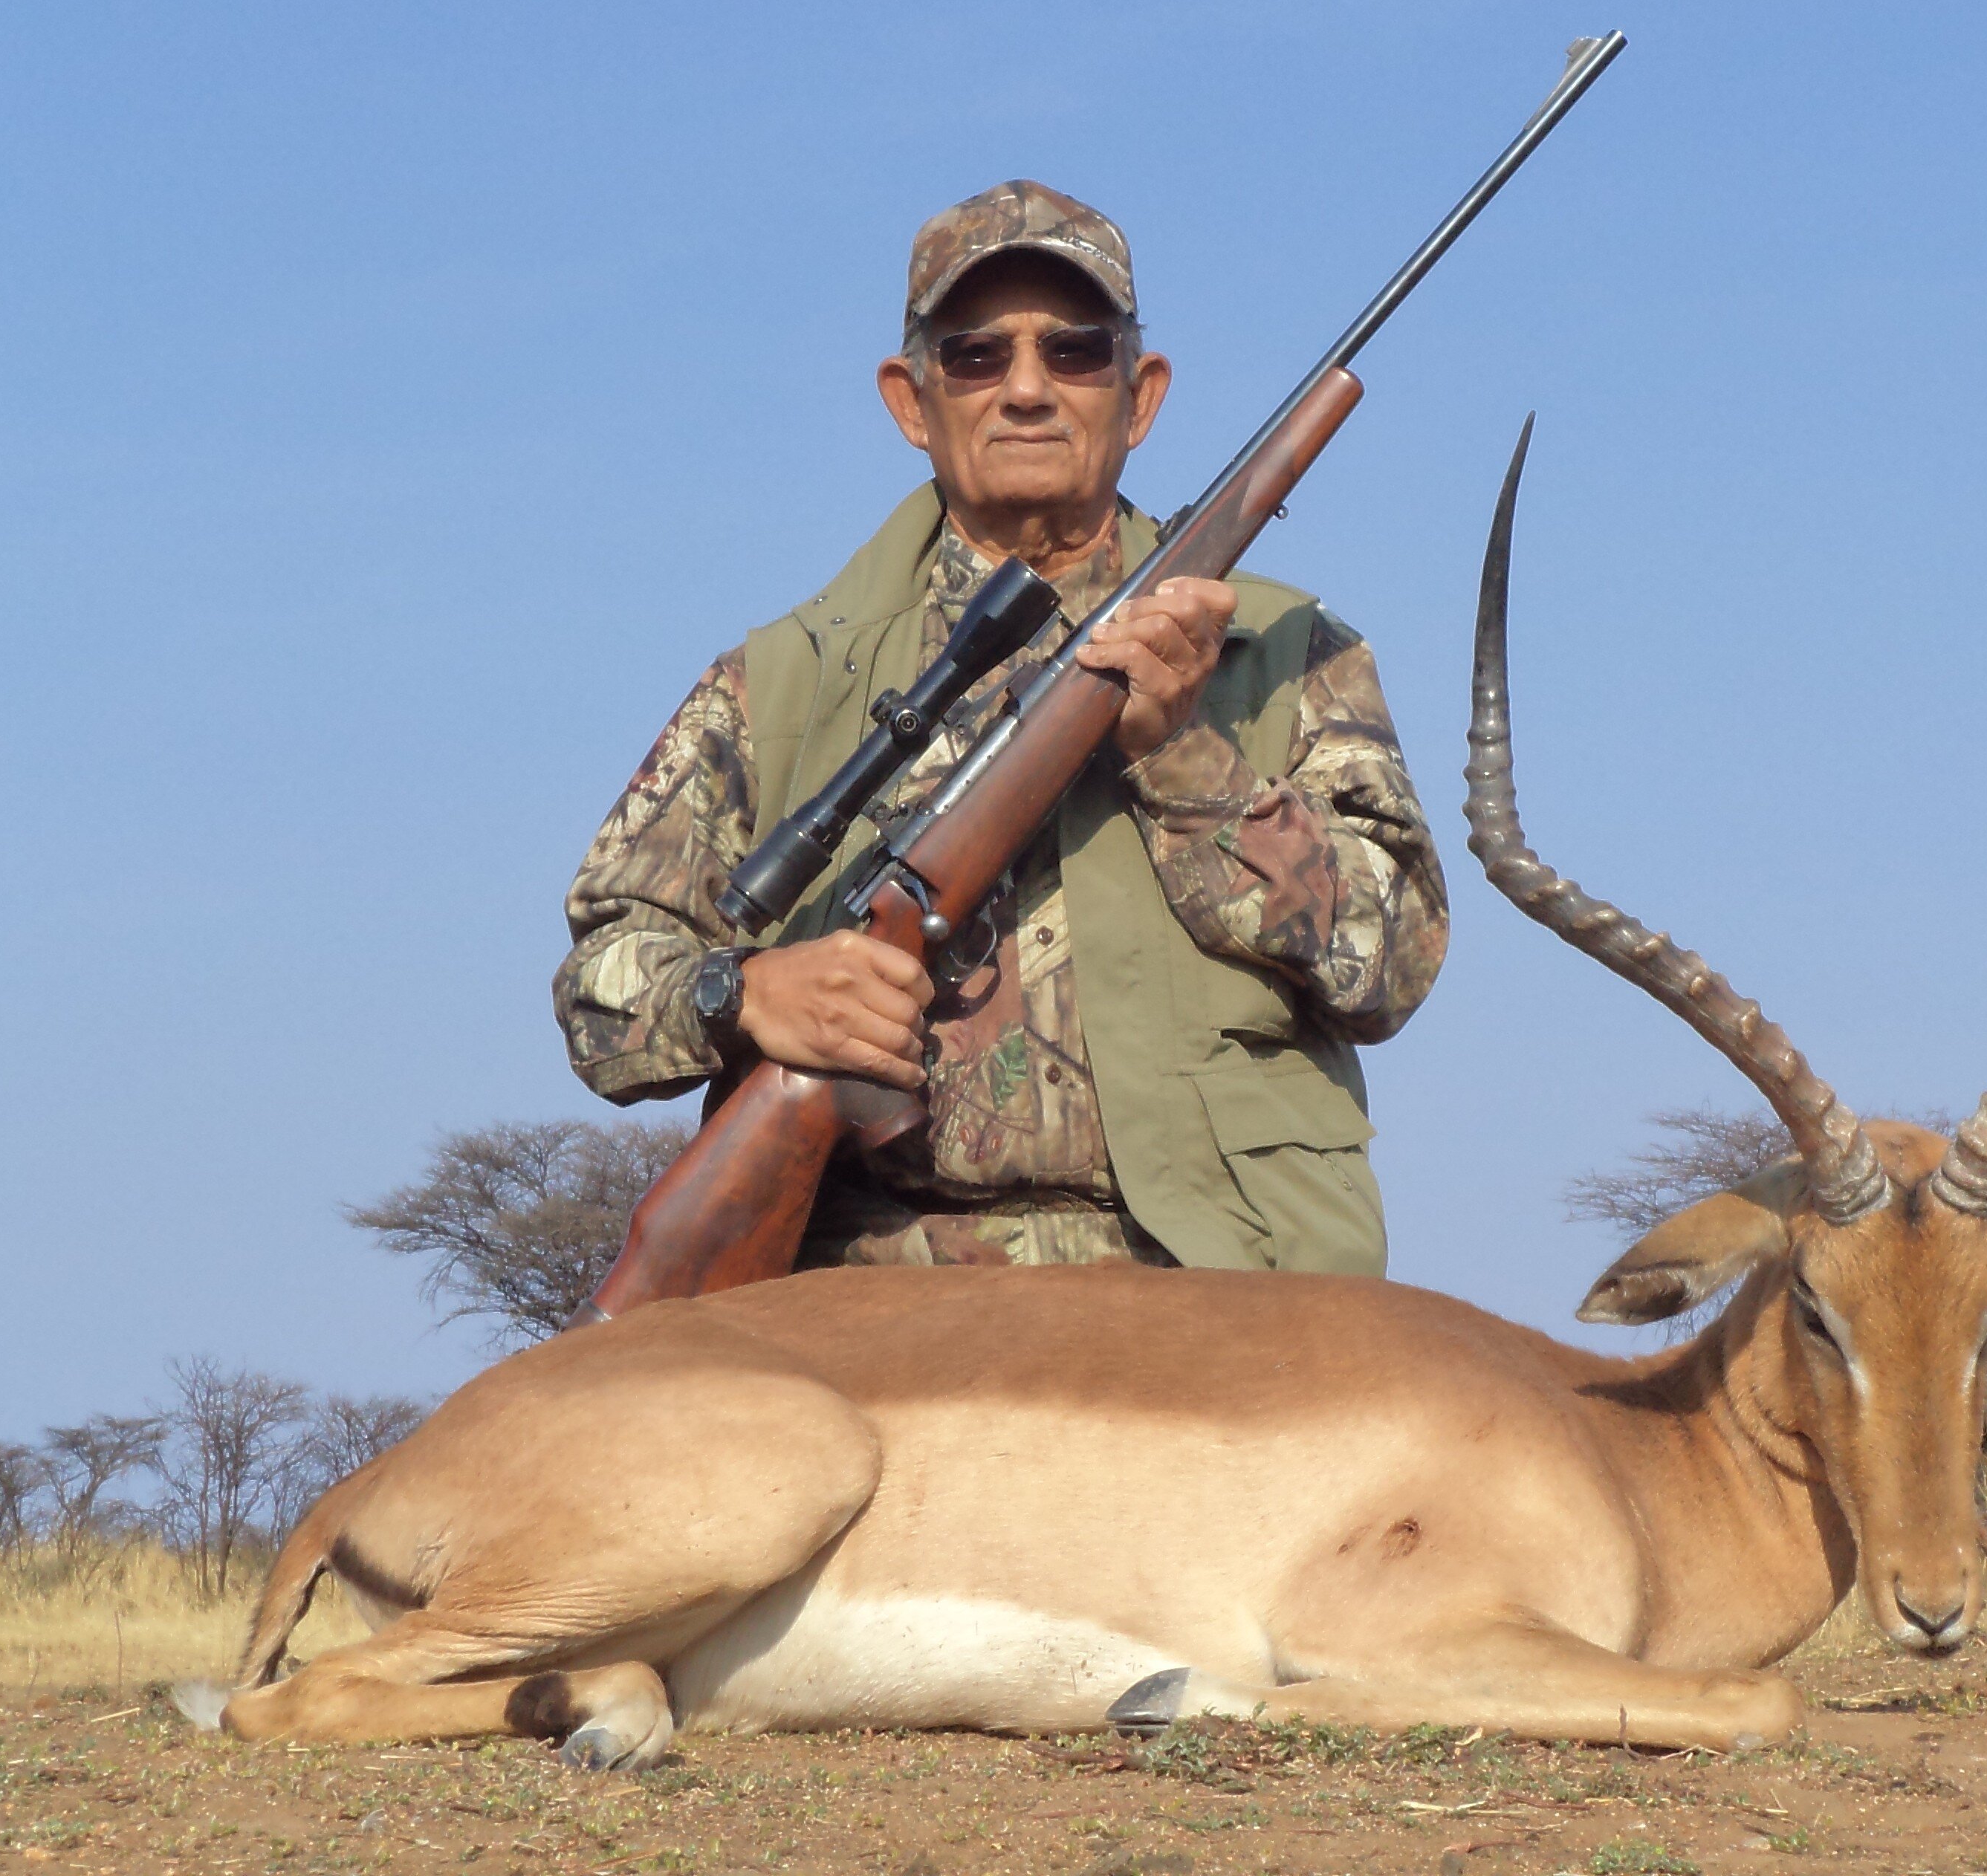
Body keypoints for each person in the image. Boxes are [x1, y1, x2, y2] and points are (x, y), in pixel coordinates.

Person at [553, 181, 1447, 1276]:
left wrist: (1185, 757)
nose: (1027, 390)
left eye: (1075, 352)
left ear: (1142, 393)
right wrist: (740, 994)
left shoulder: (1291, 652)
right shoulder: (775, 684)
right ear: (910, 400)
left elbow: (1391, 965)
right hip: (871, 1296)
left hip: (1222, 1287)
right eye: (977, 356)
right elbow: (600, 990)